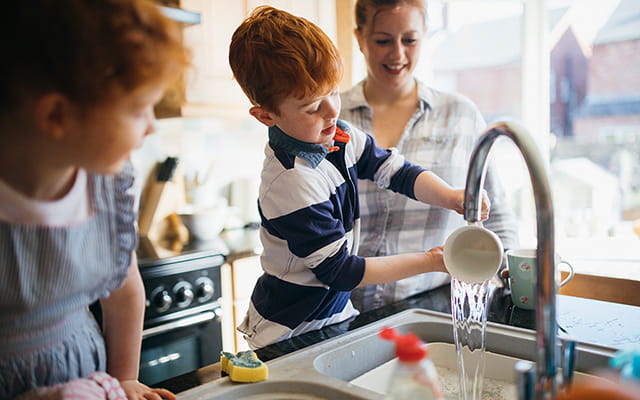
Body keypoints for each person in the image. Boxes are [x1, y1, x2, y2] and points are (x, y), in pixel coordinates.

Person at [228, 6, 490, 349]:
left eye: (333, 92)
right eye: (312, 106)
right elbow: (342, 272)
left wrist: (452, 196)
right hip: (288, 331)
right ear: (265, 115)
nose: (332, 110)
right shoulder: (291, 183)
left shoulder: (337, 136)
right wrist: (432, 262)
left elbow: (396, 171)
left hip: (334, 318)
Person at [0, 1, 189, 398]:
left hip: (87, 370)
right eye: (139, 110)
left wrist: (124, 379)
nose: (153, 126)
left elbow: (124, 291)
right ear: (56, 116)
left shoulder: (108, 183)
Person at [340, 0, 519, 311]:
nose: (397, 54)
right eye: (382, 40)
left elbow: (498, 219)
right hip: (343, 311)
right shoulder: (331, 118)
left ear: (425, 36)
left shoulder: (460, 115)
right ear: (359, 38)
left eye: (409, 40)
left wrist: (512, 282)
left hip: (435, 306)